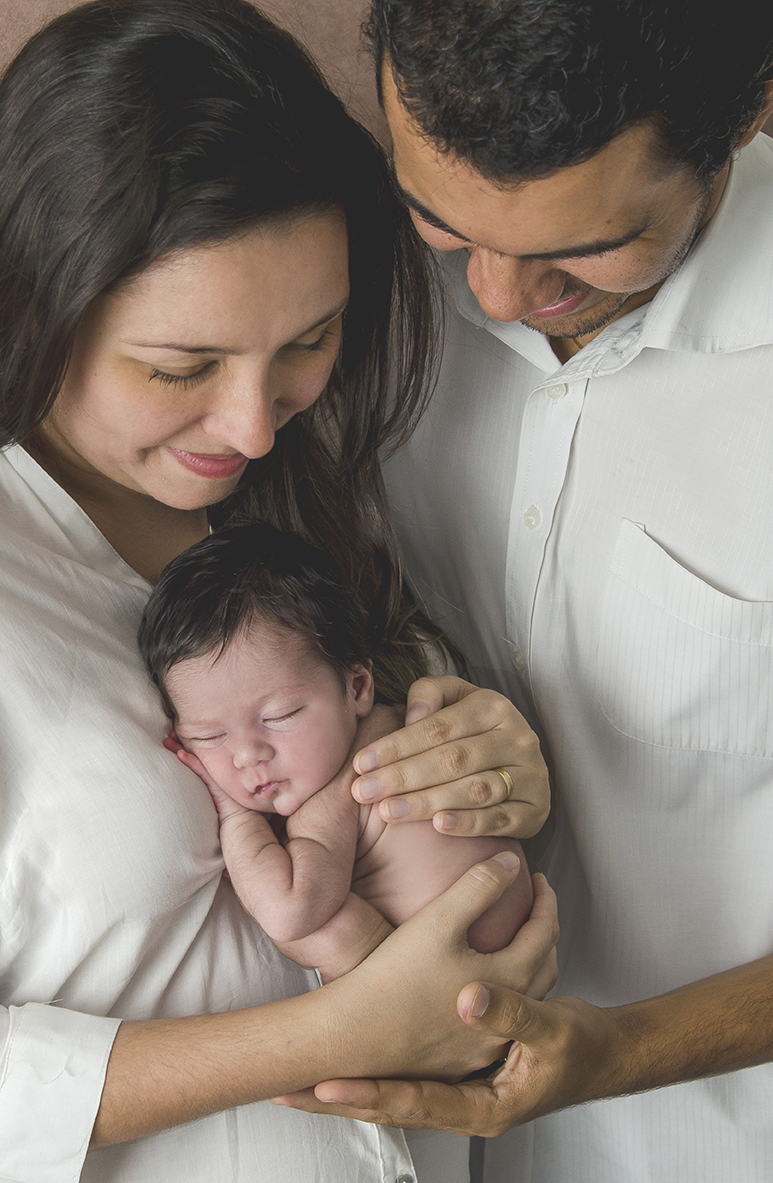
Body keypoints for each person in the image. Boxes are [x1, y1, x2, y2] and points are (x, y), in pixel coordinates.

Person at [0, 2, 559, 1180]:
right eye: (180, 368)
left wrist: (479, 753)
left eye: (310, 339)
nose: (255, 423)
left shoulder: (309, 507)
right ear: (33, 302)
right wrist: (332, 1036)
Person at [273, 2, 773, 1180]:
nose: (496, 294)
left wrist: (625, 1050)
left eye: (591, 243)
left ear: (751, 109)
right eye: (446, 222)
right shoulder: (326, 287)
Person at [138, 522, 534, 982]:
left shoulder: (344, 790)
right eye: (208, 738)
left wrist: (235, 815)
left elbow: (288, 911)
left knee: (311, 928)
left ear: (357, 686)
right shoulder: (393, 724)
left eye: (280, 715)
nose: (247, 755)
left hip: (446, 994)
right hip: (502, 968)